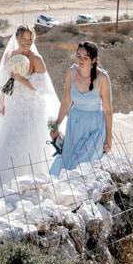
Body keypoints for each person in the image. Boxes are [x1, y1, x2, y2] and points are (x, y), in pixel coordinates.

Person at [0, 25, 60, 199]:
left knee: (27, 142)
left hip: (31, 107)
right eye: (23, 39)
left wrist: (22, 80)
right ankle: (3, 186)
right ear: (16, 38)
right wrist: (3, 101)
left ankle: (32, 185)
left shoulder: (36, 59)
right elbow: (8, 81)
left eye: (30, 39)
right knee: (8, 142)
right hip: (14, 105)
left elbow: (42, 89)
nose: (26, 43)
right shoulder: (10, 55)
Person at [49, 41, 113, 178]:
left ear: (94, 60)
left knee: (86, 164)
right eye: (78, 56)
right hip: (75, 124)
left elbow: (108, 110)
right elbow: (66, 100)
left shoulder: (103, 78)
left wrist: (109, 137)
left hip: (95, 127)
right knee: (70, 163)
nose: (81, 60)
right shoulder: (71, 72)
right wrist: (56, 125)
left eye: (85, 58)